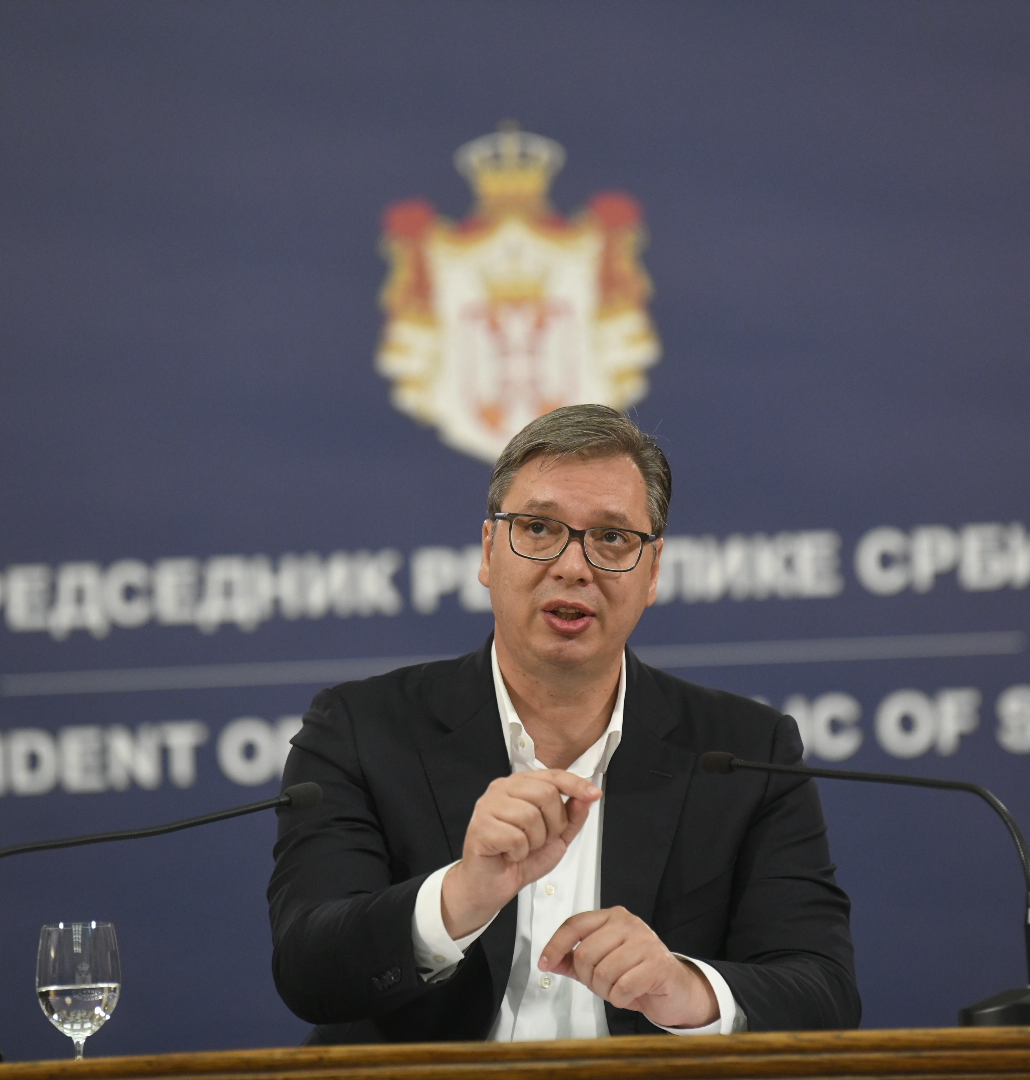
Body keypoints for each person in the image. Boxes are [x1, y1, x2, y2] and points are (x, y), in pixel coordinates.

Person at [268, 404, 858, 1043]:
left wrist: (685, 989)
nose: (573, 566)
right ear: (490, 550)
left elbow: (823, 992)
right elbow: (308, 968)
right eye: (540, 527)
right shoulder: (361, 729)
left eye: (612, 537)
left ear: (653, 571)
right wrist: (459, 898)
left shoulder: (746, 751)